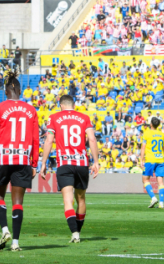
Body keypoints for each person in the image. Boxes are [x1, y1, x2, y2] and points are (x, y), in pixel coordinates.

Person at [0, 70, 40, 252]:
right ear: (19, 91)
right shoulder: (31, 110)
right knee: (18, 202)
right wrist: (34, 163)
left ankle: (5, 230)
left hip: (3, 158)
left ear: (6, 91)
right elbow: (36, 140)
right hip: (22, 159)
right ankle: (16, 243)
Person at [40, 95, 100, 243]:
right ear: (73, 105)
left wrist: (43, 163)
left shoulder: (53, 117)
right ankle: (77, 231)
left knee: (68, 200)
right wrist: (96, 162)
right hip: (81, 163)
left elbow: (49, 140)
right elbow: (92, 139)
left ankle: (74, 233)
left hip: (64, 163)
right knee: (81, 199)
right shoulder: (84, 117)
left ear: (61, 105)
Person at [140, 116, 164, 209]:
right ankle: (162, 203)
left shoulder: (147, 133)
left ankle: (153, 198)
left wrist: (141, 160)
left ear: (151, 124)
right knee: (161, 182)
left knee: (145, 180)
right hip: (160, 160)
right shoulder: (162, 134)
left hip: (150, 160)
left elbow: (143, 147)